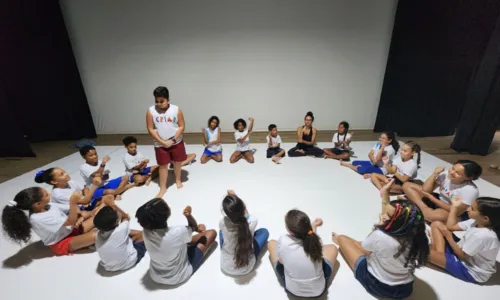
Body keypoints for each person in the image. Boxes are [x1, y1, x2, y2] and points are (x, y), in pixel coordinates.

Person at [332, 180, 429, 299]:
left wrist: (379, 225)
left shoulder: (380, 235)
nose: (383, 215)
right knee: (363, 245)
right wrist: (385, 193)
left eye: (387, 217)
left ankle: (340, 241)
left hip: (378, 285)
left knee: (343, 239)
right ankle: (354, 244)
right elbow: (391, 214)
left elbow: (366, 246)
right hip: (406, 289)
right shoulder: (417, 237)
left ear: (396, 223)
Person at [136, 198, 217, 285]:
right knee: (211, 233)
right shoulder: (177, 232)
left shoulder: (145, 231)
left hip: (156, 275)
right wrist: (188, 215)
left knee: (180, 240)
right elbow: (193, 227)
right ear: (166, 214)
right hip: (179, 276)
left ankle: (186, 240)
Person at [1, 187, 102, 255]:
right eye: (46, 195)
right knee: (95, 235)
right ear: (38, 204)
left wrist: (79, 214)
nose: (49, 194)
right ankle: (83, 245)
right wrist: (72, 203)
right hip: (61, 242)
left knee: (98, 217)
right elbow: (70, 220)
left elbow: (73, 210)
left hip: (70, 231)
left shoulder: (49, 205)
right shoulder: (37, 218)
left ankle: (84, 243)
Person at [428, 196, 500, 283]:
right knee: (436, 224)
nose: (468, 209)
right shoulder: (475, 221)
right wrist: (454, 207)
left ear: (485, 219)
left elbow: (462, 255)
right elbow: (450, 227)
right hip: (461, 250)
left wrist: (448, 236)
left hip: (470, 269)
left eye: (472, 209)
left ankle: (439, 257)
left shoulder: (483, 235)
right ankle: (440, 257)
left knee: (421, 250)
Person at [267, 209, 338, 298]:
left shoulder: (284, 241)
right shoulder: (317, 240)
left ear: (290, 232)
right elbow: (311, 238)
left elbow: (281, 261)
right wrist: (314, 226)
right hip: (319, 290)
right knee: (333, 248)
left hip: (293, 290)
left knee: (271, 243)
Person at [403, 160, 482, 222]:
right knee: (407, 185)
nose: (451, 172)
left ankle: (420, 209)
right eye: (453, 168)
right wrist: (434, 174)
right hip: (437, 200)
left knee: (434, 216)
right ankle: (423, 209)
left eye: (457, 173)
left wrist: (431, 198)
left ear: (468, 178)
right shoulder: (446, 175)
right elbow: (426, 190)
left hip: (452, 211)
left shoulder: (470, 190)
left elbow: (457, 212)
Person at [146, 86, 188, 198]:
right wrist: (162, 142)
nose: (159, 104)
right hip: (160, 143)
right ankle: (163, 187)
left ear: (168, 99)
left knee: (177, 162)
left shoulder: (176, 109)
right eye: (156, 101)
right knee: (163, 165)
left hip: (176, 141)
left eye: (162, 101)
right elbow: (150, 128)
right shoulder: (151, 111)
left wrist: (173, 139)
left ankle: (178, 180)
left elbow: (182, 126)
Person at [219, 190, 269, 275]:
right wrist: (236, 197)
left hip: (226, 266)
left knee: (221, 232)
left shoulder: (222, 222)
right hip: (247, 268)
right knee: (264, 232)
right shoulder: (252, 221)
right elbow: (246, 213)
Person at [94, 203, 146, 272]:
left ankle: (133, 238)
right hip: (129, 262)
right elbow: (127, 217)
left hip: (109, 267)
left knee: (127, 232)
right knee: (145, 234)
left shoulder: (98, 234)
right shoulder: (121, 229)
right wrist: (114, 206)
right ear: (116, 222)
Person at [35, 167, 105, 212]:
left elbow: (85, 188)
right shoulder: (58, 194)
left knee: (107, 196)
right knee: (106, 198)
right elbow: (84, 202)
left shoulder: (70, 182)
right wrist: (95, 185)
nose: (66, 174)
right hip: (77, 211)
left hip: (86, 201)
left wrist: (88, 198)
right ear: (54, 182)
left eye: (64, 172)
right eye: (62, 174)